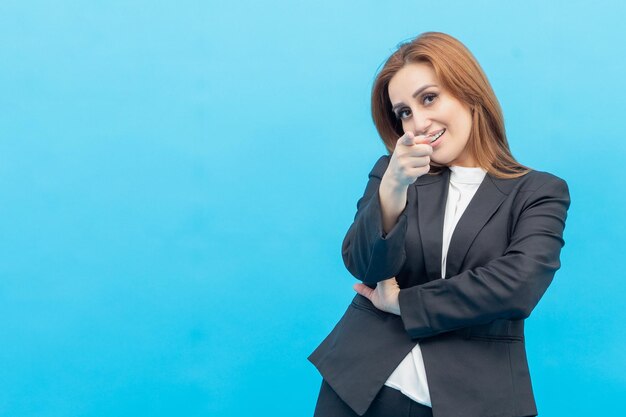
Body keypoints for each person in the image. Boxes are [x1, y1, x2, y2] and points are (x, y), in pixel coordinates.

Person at [308, 32, 570, 417]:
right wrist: (394, 188)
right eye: (404, 113)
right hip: (360, 389)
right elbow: (365, 267)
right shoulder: (393, 174)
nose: (418, 122)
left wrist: (403, 303)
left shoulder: (538, 191)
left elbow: (518, 285)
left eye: (429, 98)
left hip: (474, 398)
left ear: (469, 92)